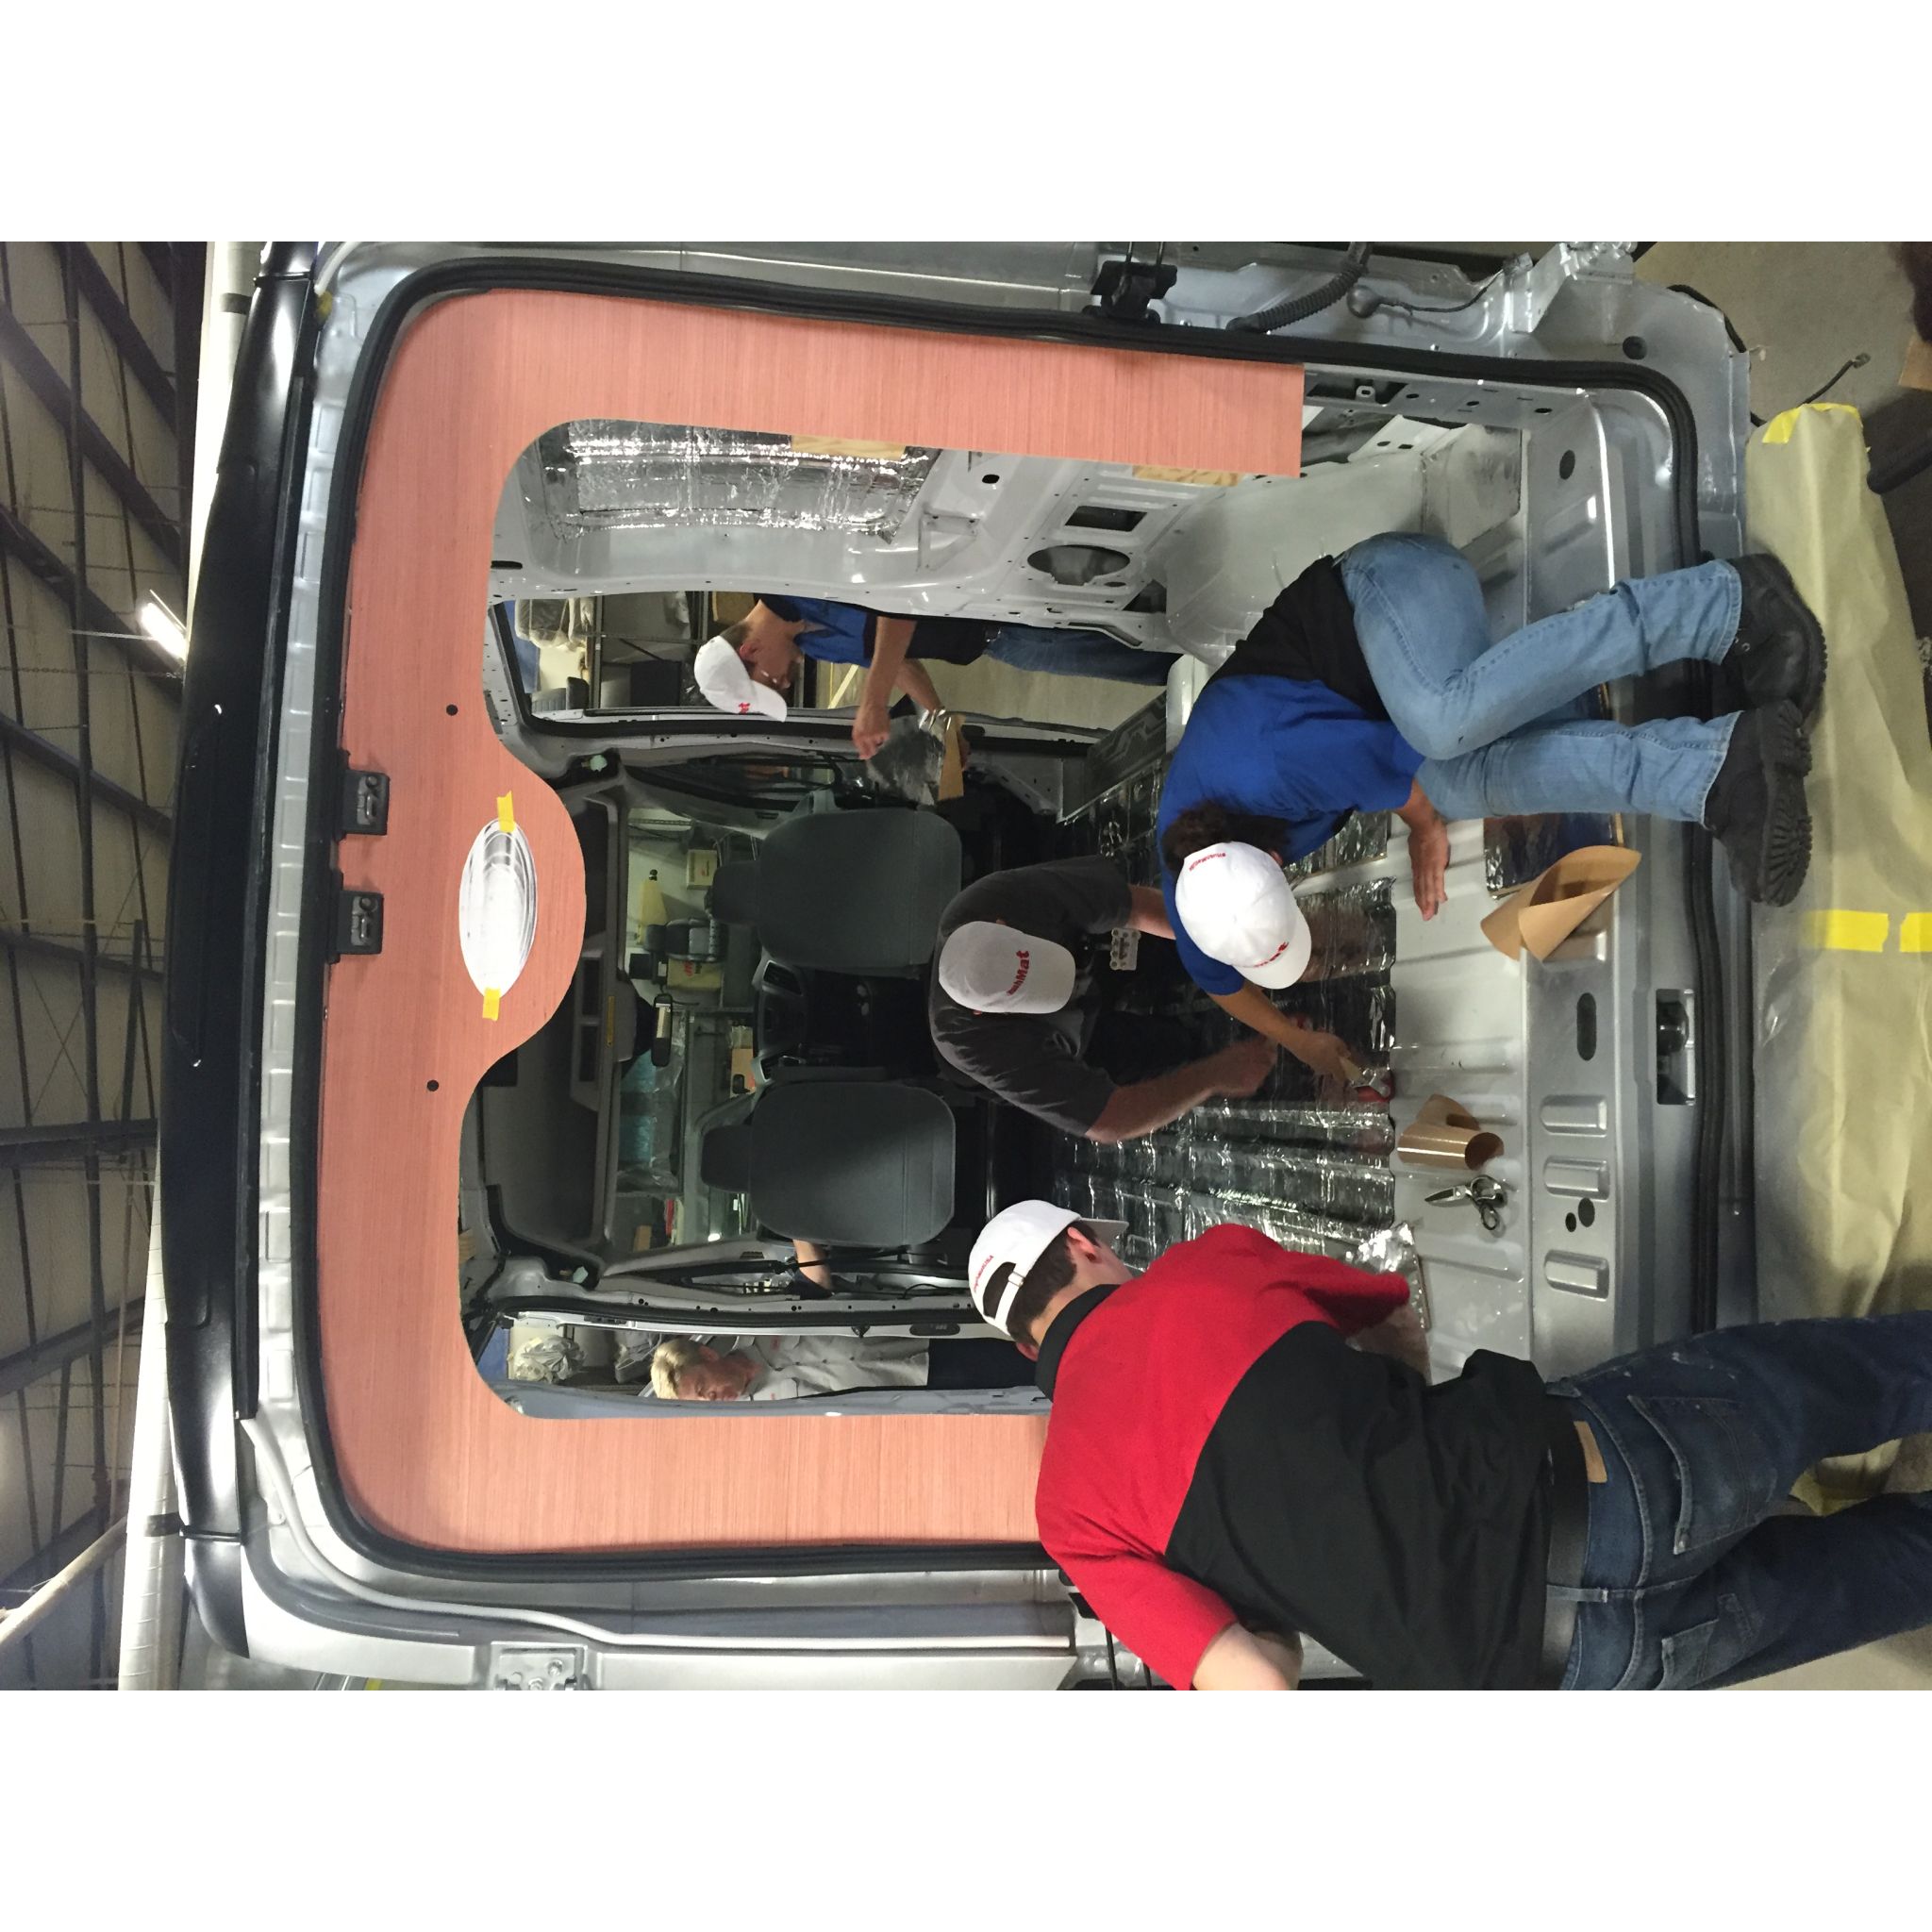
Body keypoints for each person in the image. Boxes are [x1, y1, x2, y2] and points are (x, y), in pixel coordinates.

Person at [967, 1201, 1932, 1690]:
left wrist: (1270, 1587)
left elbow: (1258, 1686)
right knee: (1848, 1380)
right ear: (1085, 1246)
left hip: (1552, 1669)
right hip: (1582, 1484)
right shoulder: (1196, 1272)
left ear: (1025, 1348)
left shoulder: (1071, 1516)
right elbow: (1392, 1317)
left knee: (1882, 1575)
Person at [1155, 537, 1826, 1041]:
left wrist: (1425, 830)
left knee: (1444, 725)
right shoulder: (1200, 898)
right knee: (1458, 783)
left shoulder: (1269, 765)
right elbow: (1218, 982)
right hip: (1381, 696)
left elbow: (1397, 785)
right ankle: (1714, 772)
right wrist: (1300, 1044)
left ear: (1275, 863)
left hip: (1385, 589)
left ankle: (1725, 605)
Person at [928, 855, 1295, 1141]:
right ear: (983, 1013)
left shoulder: (1000, 899)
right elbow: (1108, 1119)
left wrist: (1240, 945)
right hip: (1063, 1041)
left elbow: (1136, 906)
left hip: (1087, 954)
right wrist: (1214, 1075)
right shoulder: (977, 1046)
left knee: (1177, 954)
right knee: (1167, 1051)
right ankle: (1195, 1045)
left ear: (1003, 925)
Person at [695, 594, 1174, 757]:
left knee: (1157, 629)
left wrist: (873, 702)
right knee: (1153, 666)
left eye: (768, 681)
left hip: (1012, 607)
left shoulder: (799, 586)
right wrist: (940, 720)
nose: (782, 683)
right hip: (1002, 644)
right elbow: (896, 659)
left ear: (750, 649)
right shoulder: (807, 641)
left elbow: (897, 606)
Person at [649, 1330, 1031, 1403]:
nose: (712, 1398)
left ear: (709, 1356)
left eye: (703, 1387)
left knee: (1022, 1346)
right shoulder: (766, 1415)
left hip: (930, 1338)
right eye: (702, 1400)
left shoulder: (765, 1325)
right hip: (925, 1391)